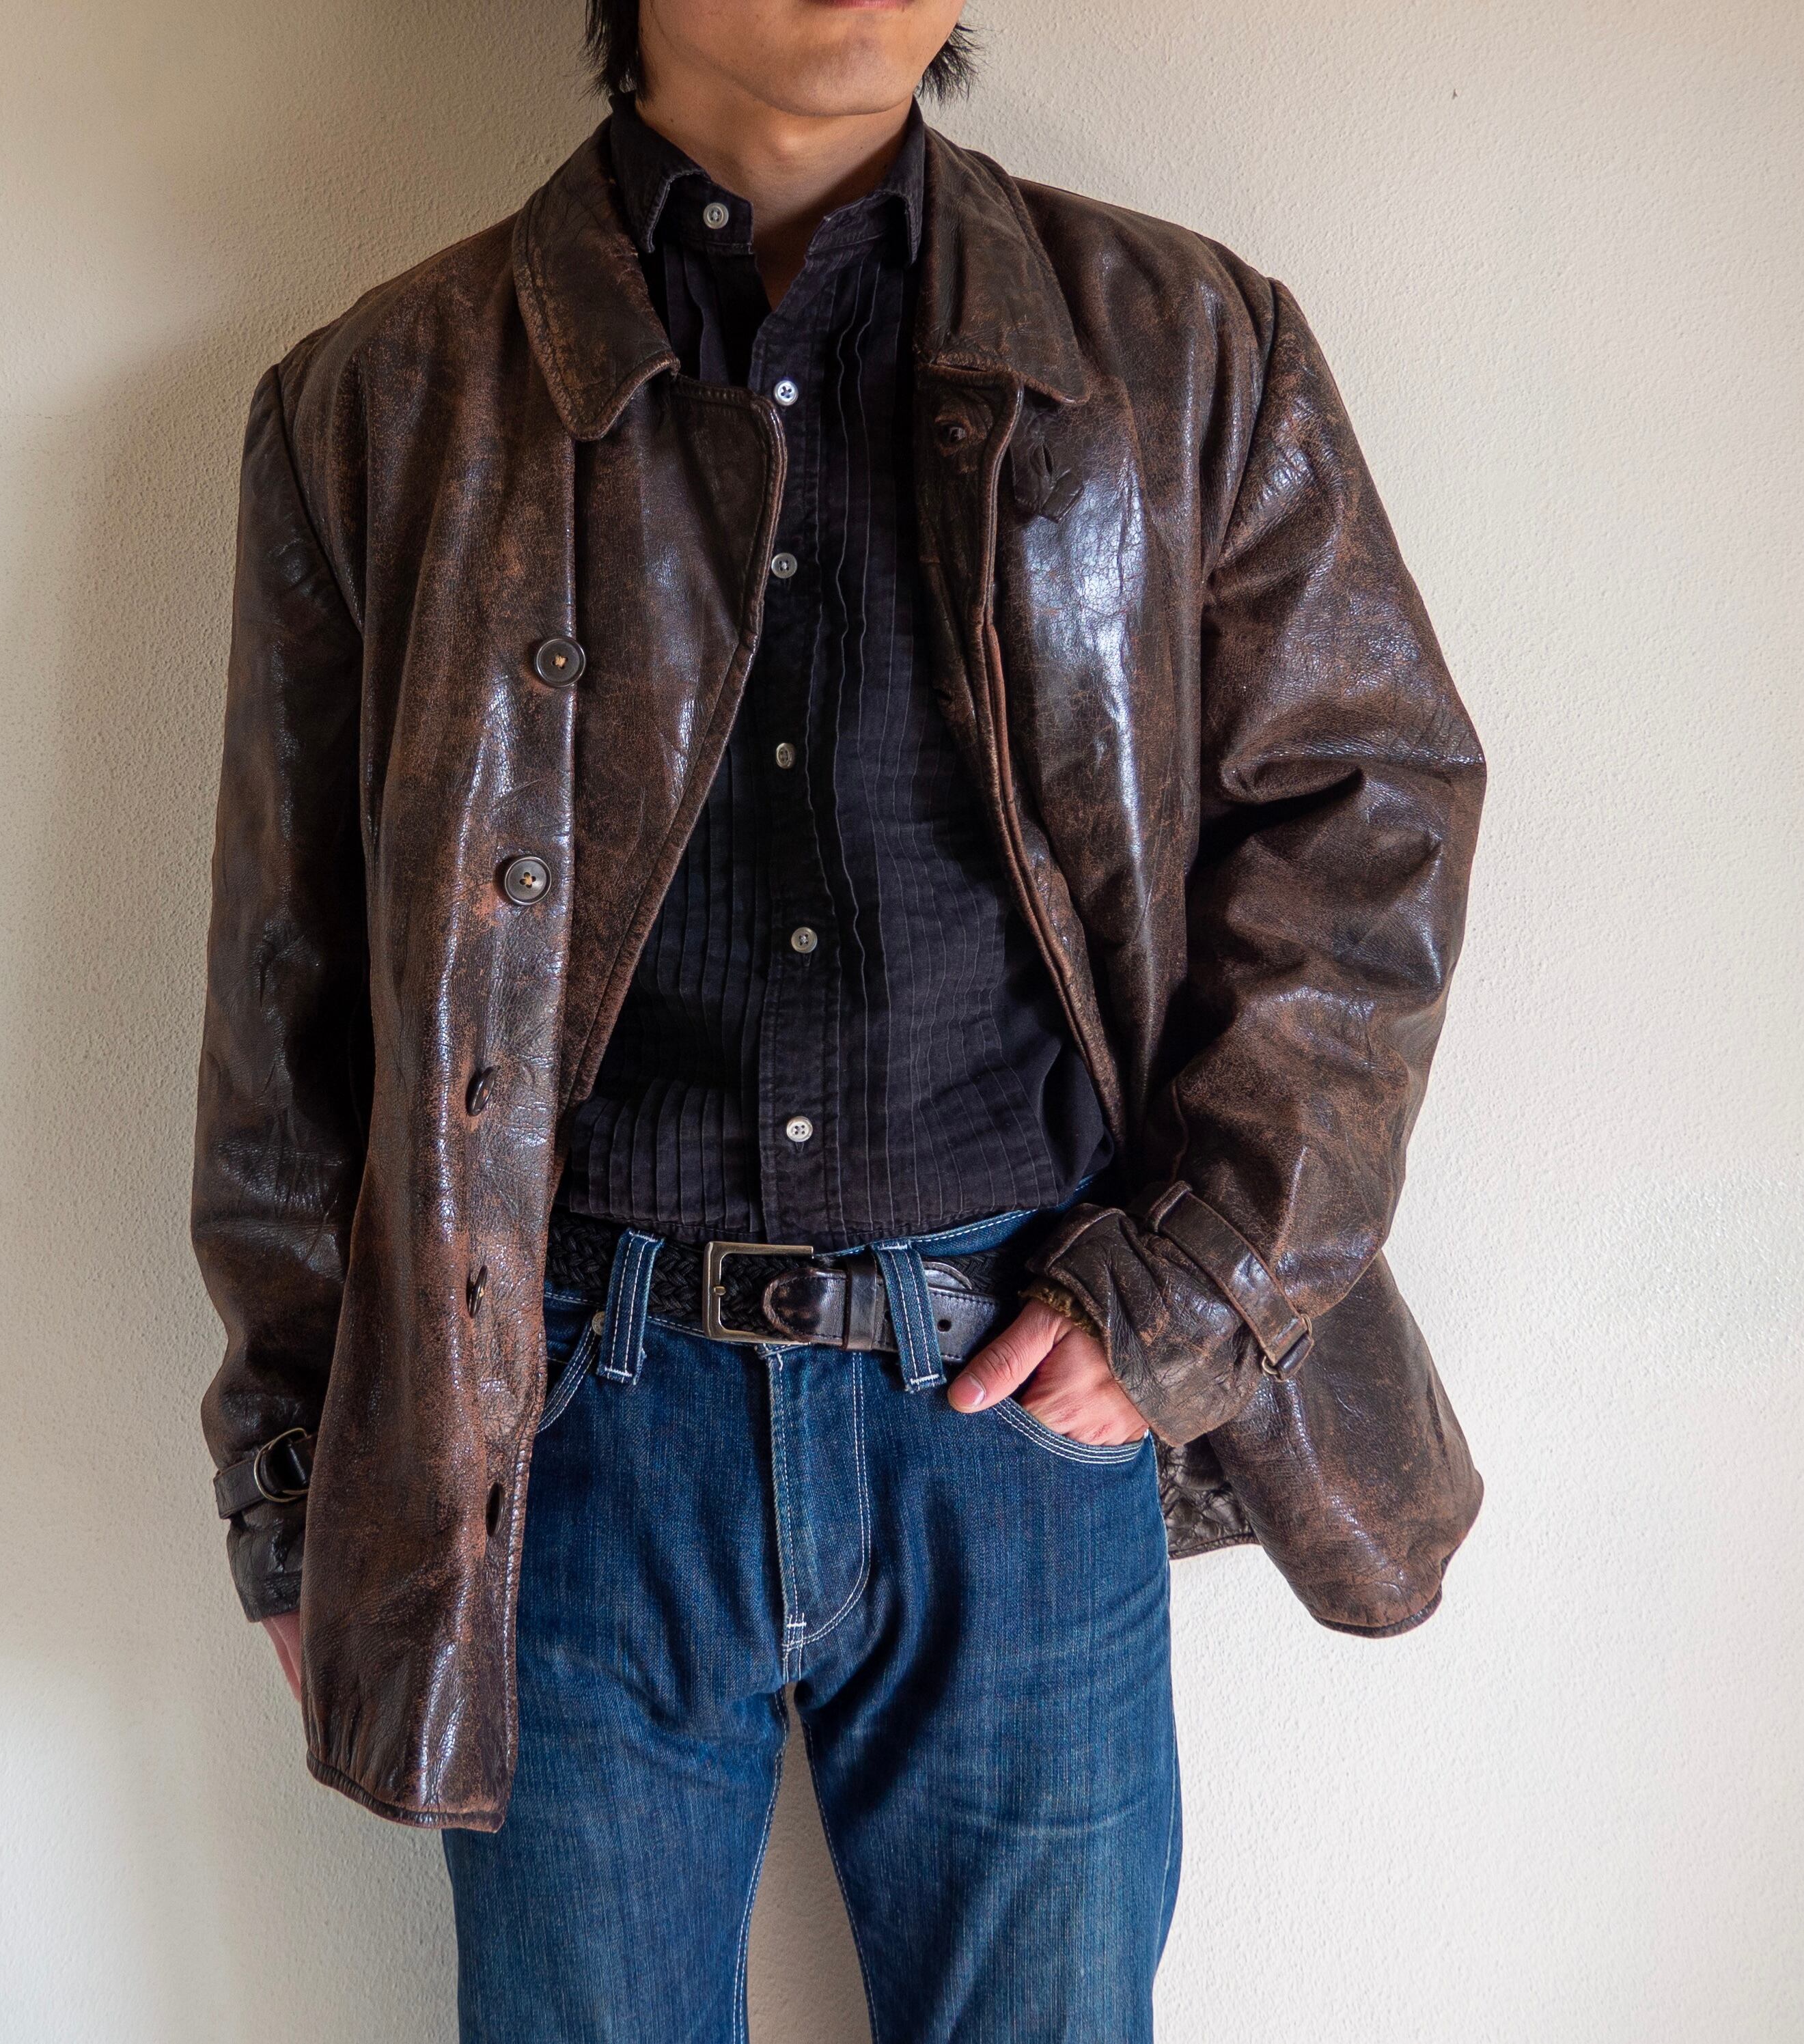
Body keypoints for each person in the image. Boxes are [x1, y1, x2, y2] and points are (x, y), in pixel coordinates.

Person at [191, 1, 1486, 2035]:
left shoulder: (1182, 345)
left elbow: (1368, 818)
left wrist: (1202, 1278)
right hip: (556, 1430)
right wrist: (296, 1483)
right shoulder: (386, 396)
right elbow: (291, 984)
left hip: (1022, 1401)